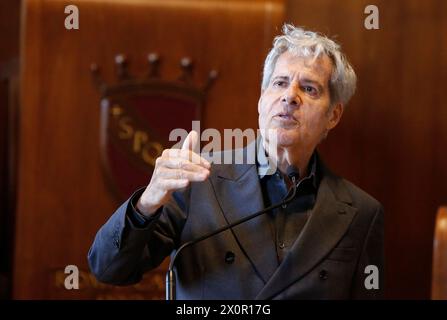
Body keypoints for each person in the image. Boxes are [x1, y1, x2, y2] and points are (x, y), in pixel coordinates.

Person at [88, 24, 384, 299]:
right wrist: (147, 203)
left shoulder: (360, 213)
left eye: (309, 89)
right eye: (280, 83)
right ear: (261, 100)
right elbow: (109, 269)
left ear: (333, 115)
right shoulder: (197, 178)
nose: (289, 97)